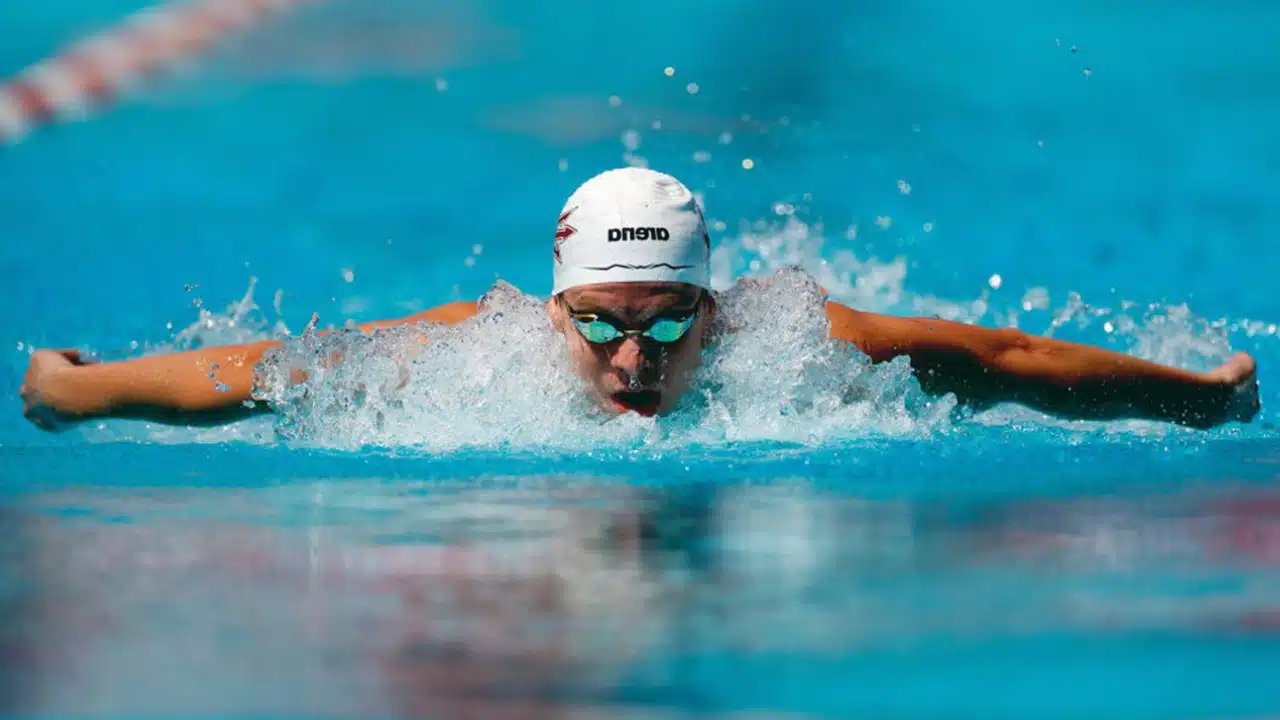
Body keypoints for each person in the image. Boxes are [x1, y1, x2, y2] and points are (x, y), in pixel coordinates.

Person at [19, 167, 1260, 431]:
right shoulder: (474, 360)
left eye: (669, 317)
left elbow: (999, 356)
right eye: (600, 321)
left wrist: (1194, 404)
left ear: (712, 310)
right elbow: (256, 373)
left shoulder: (797, 344)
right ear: (550, 312)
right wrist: (76, 390)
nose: (635, 355)